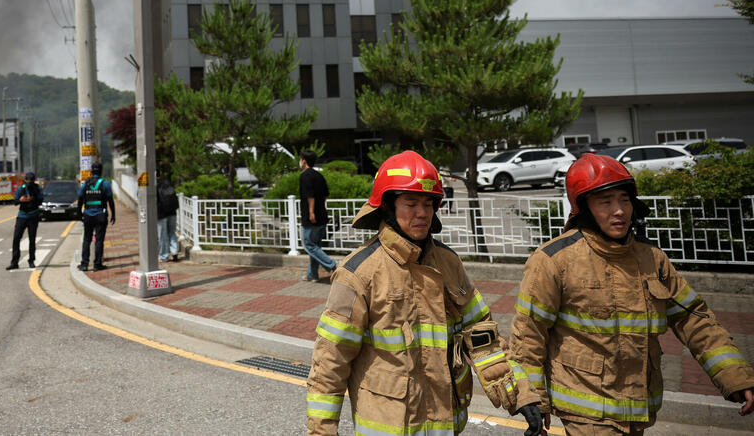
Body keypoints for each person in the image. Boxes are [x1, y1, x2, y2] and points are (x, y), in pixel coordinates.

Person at [509, 153, 754, 435]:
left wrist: (735, 375)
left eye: (624, 200)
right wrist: (532, 401)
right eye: (606, 202)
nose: (620, 211)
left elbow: (695, 319)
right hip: (586, 414)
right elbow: (528, 337)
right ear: (584, 208)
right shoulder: (554, 260)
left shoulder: (652, 259)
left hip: (640, 409)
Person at [306, 150, 541, 435]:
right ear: (387, 207)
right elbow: (330, 363)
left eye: (429, 204)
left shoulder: (448, 262)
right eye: (411, 203)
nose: (422, 213)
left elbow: (483, 334)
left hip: (446, 425)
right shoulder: (358, 273)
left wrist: (522, 395)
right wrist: (321, 431)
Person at [299, 149, 336, 282]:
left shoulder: (305, 176)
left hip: (312, 217)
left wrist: (311, 212)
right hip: (322, 215)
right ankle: (312, 274)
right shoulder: (319, 176)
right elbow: (325, 194)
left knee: (309, 245)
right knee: (316, 246)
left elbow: (310, 196)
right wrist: (318, 207)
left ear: (304, 160)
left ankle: (332, 265)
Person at [77, 162, 115, 272]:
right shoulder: (105, 184)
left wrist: (79, 214)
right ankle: (97, 264)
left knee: (87, 240)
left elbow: (80, 199)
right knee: (99, 240)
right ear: (101, 171)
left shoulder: (86, 183)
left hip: (88, 214)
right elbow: (110, 201)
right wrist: (113, 214)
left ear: (91, 171)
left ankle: (84, 264)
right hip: (101, 215)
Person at [6, 172, 42, 270]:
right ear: (25, 180)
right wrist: (21, 200)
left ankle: (31, 260)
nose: (29, 182)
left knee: (32, 239)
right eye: (27, 180)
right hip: (22, 216)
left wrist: (32, 199)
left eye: (31, 181)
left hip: (33, 216)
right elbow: (14, 202)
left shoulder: (38, 189)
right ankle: (14, 262)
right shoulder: (21, 188)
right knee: (16, 238)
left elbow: (41, 201)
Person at [156, 173, 179, 263]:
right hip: (172, 211)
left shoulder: (153, 184)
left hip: (161, 213)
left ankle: (164, 256)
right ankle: (175, 253)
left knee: (162, 235)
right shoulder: (166, 182)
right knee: (172, 232)